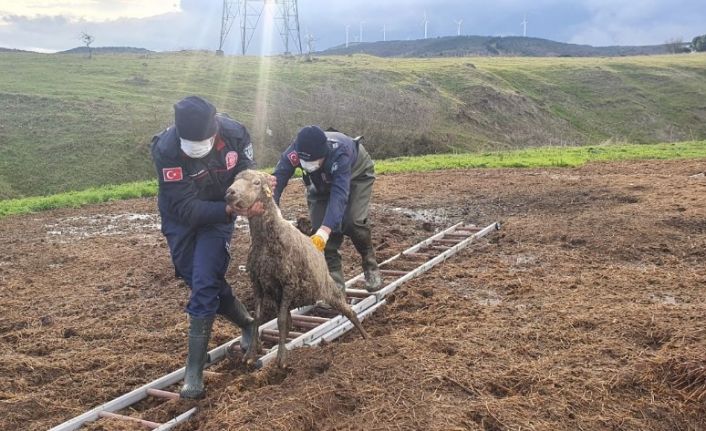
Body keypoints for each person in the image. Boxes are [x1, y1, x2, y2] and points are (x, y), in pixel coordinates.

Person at [150, 96, 265, 399]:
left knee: (203, 285)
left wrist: (248, 195)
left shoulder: (235, 133)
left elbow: (246, 169)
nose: (196, 147)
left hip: (218, 215)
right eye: (191, 142)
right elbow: (186, 206)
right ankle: (248, 323)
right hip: (181, 218)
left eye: (202, 141)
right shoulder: (166, 149)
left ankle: (194, 371)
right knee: (202, 279)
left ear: (214, 131)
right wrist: (231, 211)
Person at [272, 125, 382, 292]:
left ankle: (370, 264)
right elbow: (277, 179)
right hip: (320, 182)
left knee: (353, 221)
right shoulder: (295, 151)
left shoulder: (340, 153)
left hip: (356, 174)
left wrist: (326, 229)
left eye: (312, 161)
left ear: (323, 155)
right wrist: (273, 210)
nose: (307, 165)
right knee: (318, 229)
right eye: (304, 162)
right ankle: (334, 283)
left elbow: (339, 196)